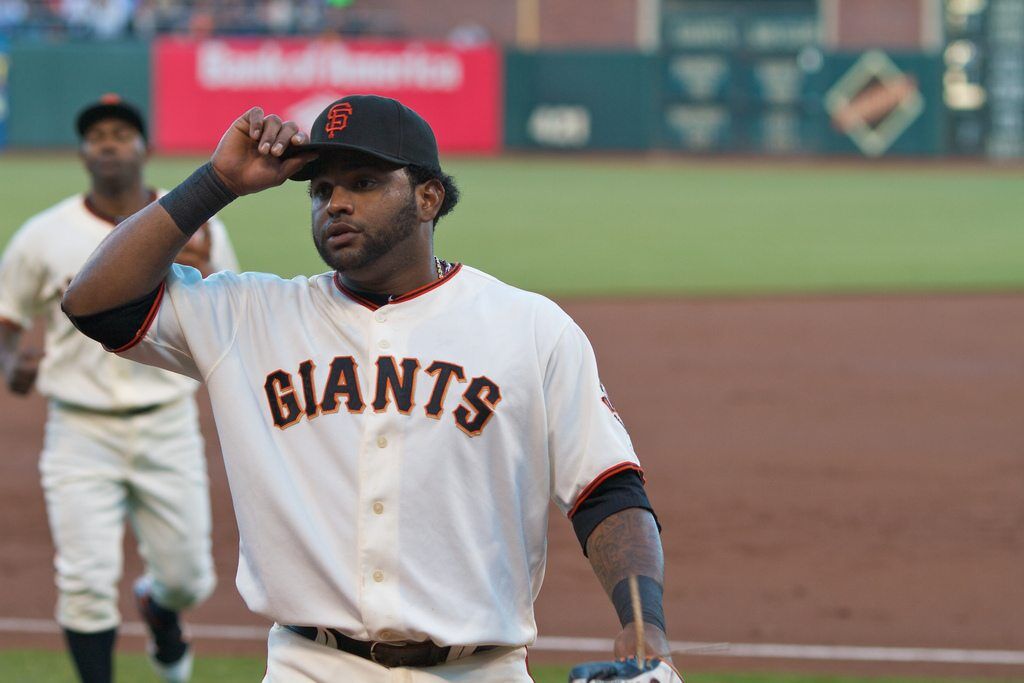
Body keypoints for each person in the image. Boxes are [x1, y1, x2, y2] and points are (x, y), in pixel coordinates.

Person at [61, 94, 678, 682]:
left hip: (481, 668)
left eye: (364, 183)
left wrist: (643, 625)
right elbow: (96, 304)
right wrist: (217, 183)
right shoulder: (248, 315)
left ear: (429, 197)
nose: (336, 204)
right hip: (311, 665)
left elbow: (607, 488)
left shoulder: (530, 327)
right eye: (322, 189)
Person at [0, 95, 238, 683]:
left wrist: (203, 274)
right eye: (97, 134)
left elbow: (231, 312)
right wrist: (12, 365)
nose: (108, 142)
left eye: (122, 133)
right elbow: (6, 316)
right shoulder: (46, 233)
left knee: (188, 579)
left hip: (167, 424)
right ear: (82, 152)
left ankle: (159, 608)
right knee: (83, 583)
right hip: (79, 427)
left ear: (145, 149)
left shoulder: (199, 226)